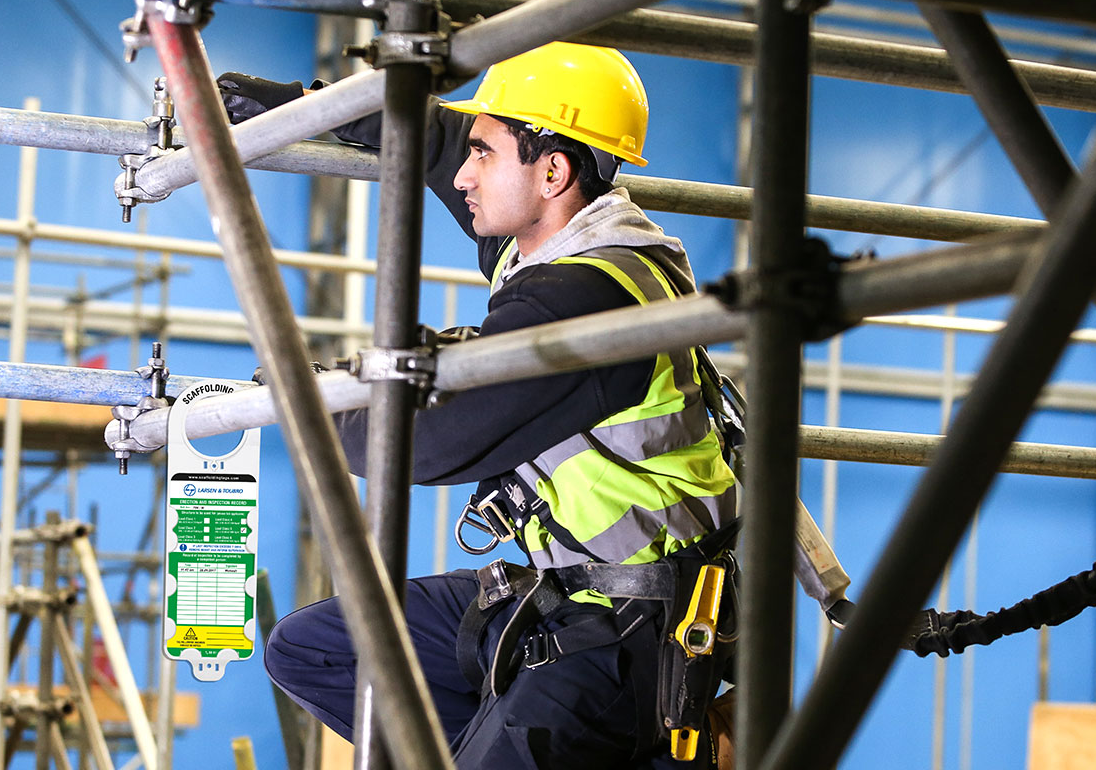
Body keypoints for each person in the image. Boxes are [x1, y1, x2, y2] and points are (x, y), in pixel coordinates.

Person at [221, 42, 739, 769]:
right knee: (317, 649)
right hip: (560, 592)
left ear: (552, 170)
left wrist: (302, 397)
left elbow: (422, 443)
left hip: (625, 633)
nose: (464, 175)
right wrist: (307, 109)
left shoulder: (584, 303)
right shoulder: (563, 245)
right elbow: (435, 146)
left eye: (485, 155)